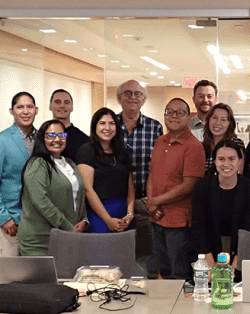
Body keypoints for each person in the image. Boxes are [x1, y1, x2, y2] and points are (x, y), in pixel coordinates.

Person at [148, 98, 205, 279]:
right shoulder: (160, 142)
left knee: (179, 274)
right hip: (156, 218)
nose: (174, 116)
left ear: (189, 118)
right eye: (169, 111)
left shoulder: (194, 147)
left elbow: (189, 186)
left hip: (179, 222)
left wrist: (155, 201)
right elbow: (152, 175)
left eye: (180, 112)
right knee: (163, 271)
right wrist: (152, 204)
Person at [18, 120, 88, 256]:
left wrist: (84, 220)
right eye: (51, 135)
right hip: (40, 240)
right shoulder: (37, 163)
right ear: (42, 139)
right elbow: (40, 201)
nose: (57, 139)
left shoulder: (70, 163)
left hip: (66, 237)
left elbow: (80, 195)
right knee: (43, 278)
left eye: (61, 135)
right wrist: (67, 226)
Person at [0, 91, 38, 256]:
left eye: (30, 107)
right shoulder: (0, 141)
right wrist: (2, 217)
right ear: (11, 111)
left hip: (39, 220)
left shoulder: (43, 138)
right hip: (13, 219)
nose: (25, 111)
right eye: (20, 107)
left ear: (37, 110)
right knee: (12, 273)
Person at [116, 80, 163, 271]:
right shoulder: (109, 125)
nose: (132, 97)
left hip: (145, 202)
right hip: (117, 201)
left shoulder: (155, 128)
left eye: (137, 94)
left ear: (143, 99)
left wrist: (156, 201)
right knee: (119, 255)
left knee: (146, 256)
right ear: (119, 98)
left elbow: (160, 167)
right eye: (128, 93)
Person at [192, 140, 250, 265]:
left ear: (240, 161)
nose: (226, 164)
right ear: (215, 161)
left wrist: (236, 264)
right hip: (207, 251)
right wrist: (210, 264)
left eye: (231, 159)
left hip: (241, 251)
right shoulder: (203, 187)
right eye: (221, 159)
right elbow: (198, 227)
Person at [77, 107, 134, 234]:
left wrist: (130, 214)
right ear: (95, 126)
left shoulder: (122, 152)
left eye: (112, 123)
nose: (107, 128)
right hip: (99, 215)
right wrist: (108, 220)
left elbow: (130, 187)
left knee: (124, 253)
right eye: (102, 123)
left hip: (123, 215)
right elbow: (88, 190)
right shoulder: (87, 151)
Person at [201, 103, 244, 175]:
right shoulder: (203, 146)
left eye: (223, 120)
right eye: (214, 118)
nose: (217, 123)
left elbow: (238, 176)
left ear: (230, 124)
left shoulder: (236, 144)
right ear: (208, 120)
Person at [49, 89, 89, 162]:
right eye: (57, 102)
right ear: (50, 106)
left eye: (66, 102)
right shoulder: (42, 136)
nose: (62, 106)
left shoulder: (84, 140)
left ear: (72, 107)